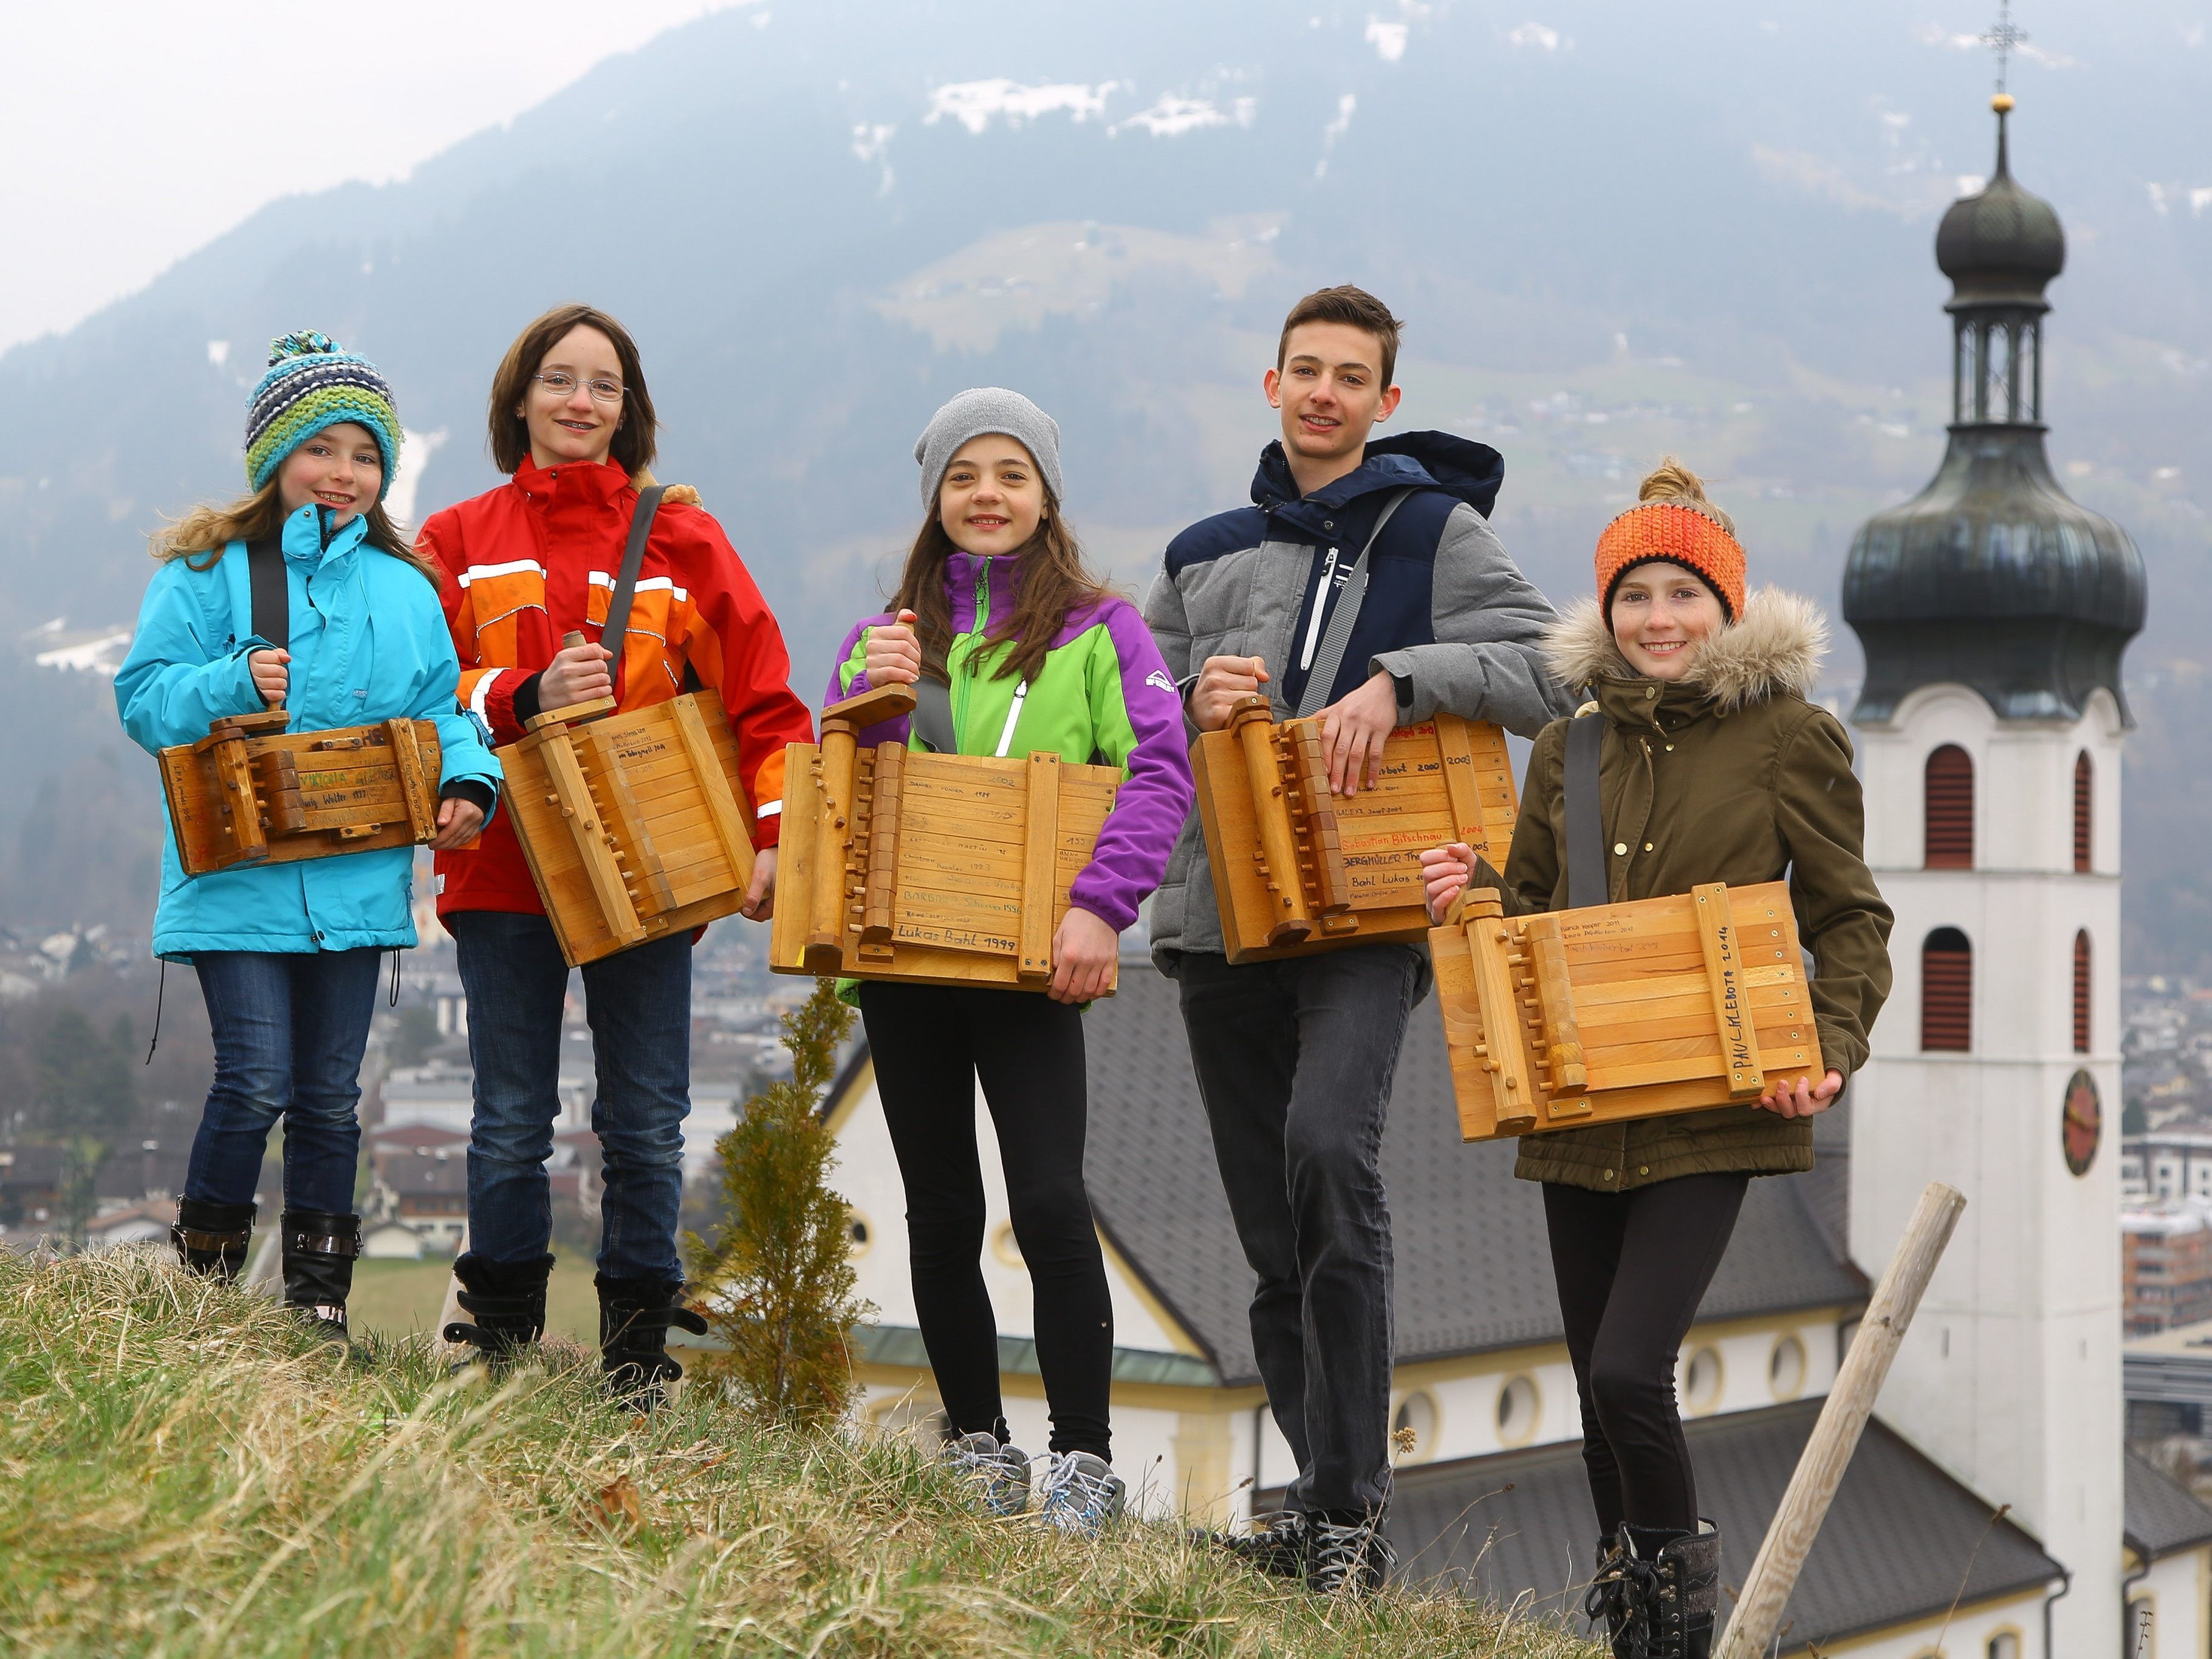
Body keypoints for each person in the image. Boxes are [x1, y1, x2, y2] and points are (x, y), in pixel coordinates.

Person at [1419, 460, 1893, 1658]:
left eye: (1684, 592)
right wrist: (1471, 896)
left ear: (1727, 607)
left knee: (1632, 1369)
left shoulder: (1791, 737)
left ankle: (1681, 1634)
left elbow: (1852, 921)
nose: (1659, 618)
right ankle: (1628, 1634)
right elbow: (1529, 920)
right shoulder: (1566, 749)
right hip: (1580, 1111)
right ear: (1608, 611)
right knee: (1593, 1394)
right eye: (1637, 595)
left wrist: (1827, 1051)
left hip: (1721, 1100)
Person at [1143, 286, 1570, 1592]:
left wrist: (1410, 677)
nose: (1324, 394)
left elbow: (1559, 666)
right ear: (1270, 384)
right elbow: (1131, 724)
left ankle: (1353, 1512)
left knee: (1331, 1153)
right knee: (1272, 1230)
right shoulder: (1200, 552)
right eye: (1305, 371)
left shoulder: (1434, 531)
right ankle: (1324, 1515)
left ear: (1387, 402)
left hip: (1371, 912)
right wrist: (1191, 697)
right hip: (1222, 918)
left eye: (1351, 377)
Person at [420, 303, 813, 1406]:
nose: (580, 400)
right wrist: (519, 694)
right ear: (519, 399)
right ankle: (498, 1343)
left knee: (644, 1119)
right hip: (502, 863)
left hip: (655, 866)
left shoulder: (685, 536)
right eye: (558, 379)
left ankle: (636, 1360)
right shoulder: (454, 538)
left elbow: (768, 703)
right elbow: (411, 696)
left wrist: (776, 838)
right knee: (509, 1117)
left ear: (627, 409)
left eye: (602, 384)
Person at [826, 389, 1193, 1534]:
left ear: (1045, 494)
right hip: (906, 959)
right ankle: (977, 1448)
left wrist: (1100, 909)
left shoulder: (1103, 632)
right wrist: (869, 701)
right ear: (936, 499)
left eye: (1010, 474)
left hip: (1040, 957)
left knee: (1044, 1201)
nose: (988, 495)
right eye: (964, 476)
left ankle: (1082, 1461)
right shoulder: (882, 636)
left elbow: (1159, 773)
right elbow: (852, 800)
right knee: (940, 1208)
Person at [117, 330, 498, 1341]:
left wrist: (469, 778)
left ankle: (316, 1310)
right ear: (276, 459)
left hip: (359, 881)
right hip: (234, 880)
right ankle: (200, 1309)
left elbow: (442, 711)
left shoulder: (407, 589)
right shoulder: (206, 573)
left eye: (366, 454)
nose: (345, 473)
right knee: (254, 1082)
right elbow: (145, 704)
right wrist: (230, 685)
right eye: (322, 449)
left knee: (330, 1099)